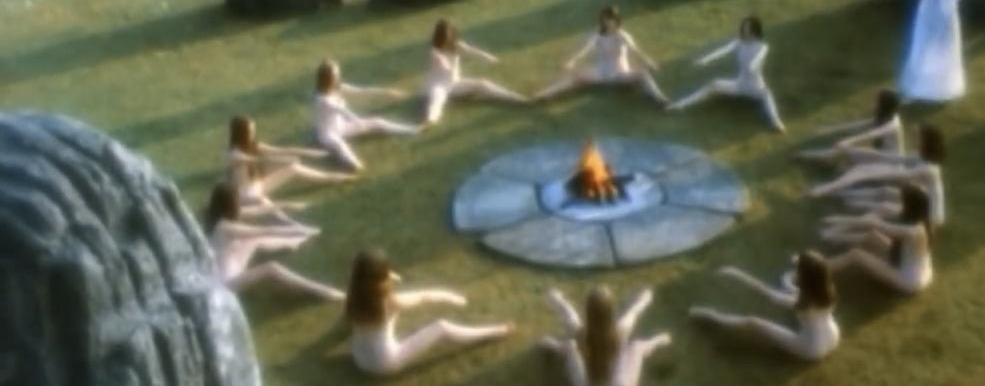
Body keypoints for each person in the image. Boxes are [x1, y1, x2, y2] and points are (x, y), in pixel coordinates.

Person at [344, 249, 513, 377]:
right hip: (385, 364)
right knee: (441, 327)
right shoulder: (392, 302)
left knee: (378, 326)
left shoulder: (352, 297)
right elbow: (425, 297)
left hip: (359, 359)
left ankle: (496, 331)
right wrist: (452, 297)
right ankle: (496, 331)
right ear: (382, 279)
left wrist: (386, 276)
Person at [203, 181, 344, 300]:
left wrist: (287, 205)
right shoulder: (225, 227)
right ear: (229, 203)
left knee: (253, 240)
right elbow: (266, 230)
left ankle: (293, 243)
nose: (240, 202)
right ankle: (321, 291)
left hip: (228, 272)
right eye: (237, 199)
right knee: (271, 268)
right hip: (226, 285)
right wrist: (302, 230)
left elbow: (259, 210)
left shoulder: (217, 219)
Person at [688, 251, 840, 361]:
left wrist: (735, 273)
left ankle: (710, 316)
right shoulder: (827, 292)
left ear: (805, 278)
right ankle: (709, 315)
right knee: (790, 290)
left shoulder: (801, 304)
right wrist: (795, 270)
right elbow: (806, 284)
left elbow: (766, 293)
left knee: (753, 323)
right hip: (832, 337)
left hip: (811, 349)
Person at [807, 124, 947, 227]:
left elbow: (893, 176)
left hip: (930, 216)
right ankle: (835, 194)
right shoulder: (919, 157)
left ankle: (838, 204)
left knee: (883, 205)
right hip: (920, 202)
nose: (913, 139)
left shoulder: (929, 169)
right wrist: (857, 152)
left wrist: (867, 171)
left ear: (926, 142)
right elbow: (890, 158)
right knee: (883, 191)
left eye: (917, 137)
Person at [666, 15, 785, 132]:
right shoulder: (739, 42)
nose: (745, 30)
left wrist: (752, 66)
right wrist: (705, 60)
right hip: (740, 84)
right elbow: (722, 51)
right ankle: (681, 105)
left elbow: (758, 58)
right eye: (744, 27)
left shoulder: (763, 46)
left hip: (756, 87)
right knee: (713, 84)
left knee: (766, 94)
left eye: (748, 27)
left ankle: (776, 122)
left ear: (754, 29)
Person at [533, 6, 669, 105]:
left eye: (610, 20)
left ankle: (660, 99)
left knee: (643, 75)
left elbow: (635, 50)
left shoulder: (622, 35)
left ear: (616, 21)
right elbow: (585, 47)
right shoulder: (597, 33)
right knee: (573, 75)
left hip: (620, 74)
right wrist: (572, 60)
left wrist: (648, 61)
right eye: (605, 20)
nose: (607, 23)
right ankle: (543, 95)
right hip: (601, 72)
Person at [539, 286, 671, 386]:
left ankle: (551, 341)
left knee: (570, 344)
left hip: (585, 382)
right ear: (610, 312)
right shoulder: (619, 334)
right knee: (635, 345)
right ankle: (658, 338)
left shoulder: (580, 335)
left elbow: (567, 314)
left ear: (588, 313)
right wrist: (657, 340)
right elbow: (632, 314)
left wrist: (555, 299)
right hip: (616, 382)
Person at [819, 185, 935, 295]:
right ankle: (833, 238)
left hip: (909, 280)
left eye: (903, 201)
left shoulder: (912, 231)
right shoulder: (923, 221)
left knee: (855, 255)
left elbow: (877, 225)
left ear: (910, 206)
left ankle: (817, 271)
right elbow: (888, 213)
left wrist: (840, 220)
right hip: (916, 269)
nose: (901, 203)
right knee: (872, 236)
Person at [225, 115, 355, 210]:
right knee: (267, 206)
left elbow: (281, 150)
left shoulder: (253, 145)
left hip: (258, 185)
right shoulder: (233, 154)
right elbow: (260, 160)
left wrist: (308, 152)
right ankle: (291, 216)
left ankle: (337, 178)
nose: (253, 133)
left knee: (294, 168)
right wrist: (284, 160)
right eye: (250, 130)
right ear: (241, 133)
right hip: (245, 195)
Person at [313, 59, 422, 171]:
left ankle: (413, 130)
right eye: (336, 74)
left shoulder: (338, 88)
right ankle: (354, 165)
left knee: (377, 122)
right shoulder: (323, 99)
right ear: (328, 78)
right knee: (340, 146)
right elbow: (342, 110)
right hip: (327, 134)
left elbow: (362, 92)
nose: (338, 76)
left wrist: (386, 92)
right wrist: (358, 121)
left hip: (341, 126)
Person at [898, 0, 966, 103]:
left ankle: (940, 88)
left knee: (941, 51)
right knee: (921, 48)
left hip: (944, 20)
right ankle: (917, 88)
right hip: (927, 17)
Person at [421, 19, 528, 125]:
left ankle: (519, 99)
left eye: (449, 35)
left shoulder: (456, 45)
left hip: (455, 84)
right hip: (440, 85)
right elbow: (441, 62)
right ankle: (430, 121)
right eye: (445, 36)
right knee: (437, 99)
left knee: (483, 84)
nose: (448, 38)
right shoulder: (435, 52)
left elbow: (472, 51)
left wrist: (488, 57)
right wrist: (445, 64)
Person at [794, 89, 905, 166]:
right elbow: (860, 125)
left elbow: (870, 135)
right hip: (881, 156)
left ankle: (810, 158)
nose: (875, 103)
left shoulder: (892, 125)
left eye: (878, 101)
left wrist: (848, 142)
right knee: (849, 153)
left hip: (889, 163)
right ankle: (813, 157)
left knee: (847, 152)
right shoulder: (885, 117)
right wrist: (831, 129)